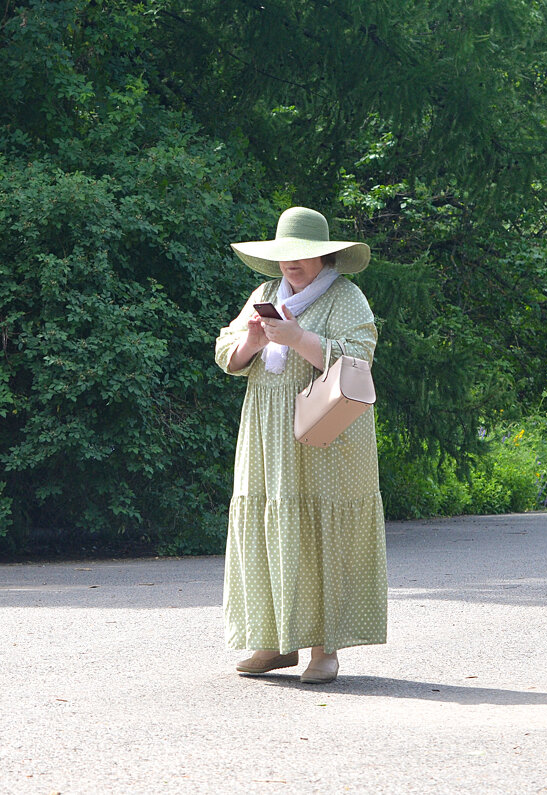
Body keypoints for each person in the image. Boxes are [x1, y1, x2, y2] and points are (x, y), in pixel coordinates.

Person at [214, 206, 387, 685]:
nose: (291, 264)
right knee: (270, 521)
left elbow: (360, 360)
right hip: (267, 426)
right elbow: (226, 353)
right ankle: (272, 641)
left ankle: (323, 649)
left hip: (325, 428)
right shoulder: (265, 293)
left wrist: (298, 337)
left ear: (324, 257)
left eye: (302, 256)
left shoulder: (346, 295)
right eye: (285, 256)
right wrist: (251, 337)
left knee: (318, 526)